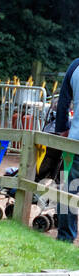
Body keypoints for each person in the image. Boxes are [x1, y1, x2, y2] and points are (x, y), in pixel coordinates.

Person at [53, 54, 79, 244]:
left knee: (68, 188)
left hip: (75, 140)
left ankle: (65, 237)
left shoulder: (75, 66)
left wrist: (61, 128)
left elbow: (62, 103)